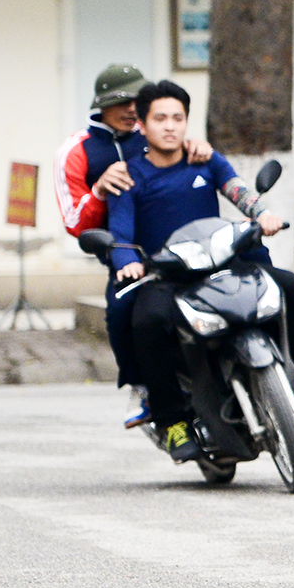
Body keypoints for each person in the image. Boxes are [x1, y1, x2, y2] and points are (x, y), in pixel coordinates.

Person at [110, 81, 294, 463]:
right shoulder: (127, 175)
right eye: (160, 119)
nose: (170, 126)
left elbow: (237, 189)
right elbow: (120, 233)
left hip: (221, 261)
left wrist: (261, 215)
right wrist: (128, 263)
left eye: (178, 118)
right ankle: (172, 422)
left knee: (293, 289)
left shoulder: (205, 159)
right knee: (147, 322)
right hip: (168, 274)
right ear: (143, 124)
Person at [52, 63, 211, 427]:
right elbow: (74, 223)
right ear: (100, 105)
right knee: (122, 313)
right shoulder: (76, 151)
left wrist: (199, 147)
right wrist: (99, 190)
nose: (130, 110)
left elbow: (189, 164)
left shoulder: (155, 131)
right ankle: (141, 387)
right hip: (125, 253)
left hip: (183, 245)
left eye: (136, 102)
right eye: (120, 102)